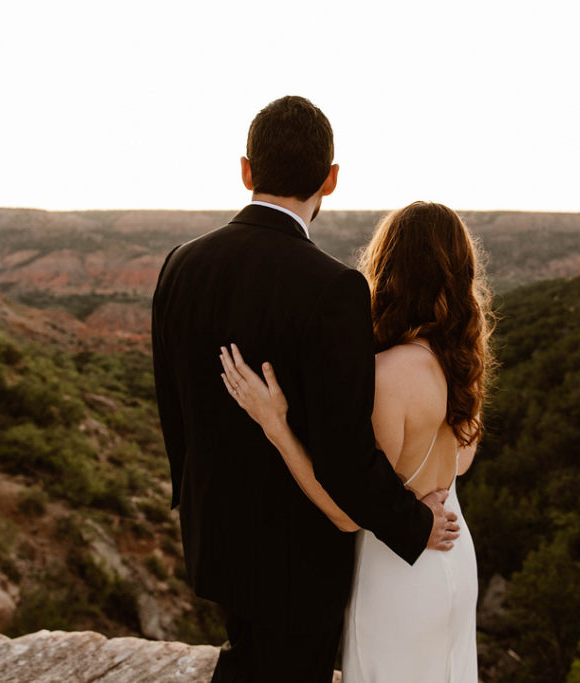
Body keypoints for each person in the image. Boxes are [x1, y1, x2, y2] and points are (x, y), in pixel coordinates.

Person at [151, 96, 460, 682]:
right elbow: (346, 456)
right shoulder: (335, 289)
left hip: (213, 530)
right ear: (331, 179)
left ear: (246, 170)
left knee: (249, 660)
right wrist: (413, 523)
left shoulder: (180, 264)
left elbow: (173, 404)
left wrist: (193, 496)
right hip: (296, 555)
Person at [220, 200, 493, 682]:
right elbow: (462, 463)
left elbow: (348, 514)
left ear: (387, 270)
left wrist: (276, 425)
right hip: (453, 552)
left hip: (399, 567)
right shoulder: (461, 359)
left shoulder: (388, 375)